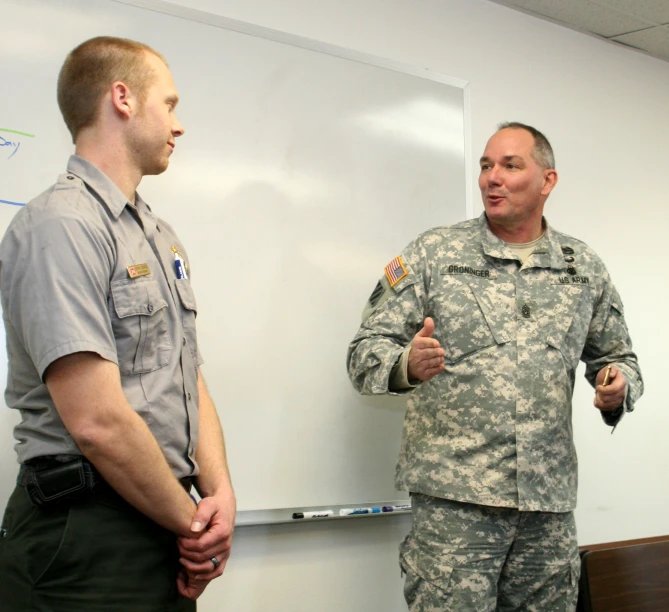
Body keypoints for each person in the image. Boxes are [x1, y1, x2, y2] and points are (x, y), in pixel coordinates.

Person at [347, 122, 643, 611]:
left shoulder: (582, 266)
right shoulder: (434, 254)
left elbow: (618, 357)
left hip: (546, 512)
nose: (492, 178)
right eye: (486, 165)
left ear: (547, 180)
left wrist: (617, 386)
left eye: (510, 165)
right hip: (455, 510)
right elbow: (364, 351)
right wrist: (407, 365)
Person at [0, 37, 236, 611]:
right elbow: (98, 422)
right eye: (170, 104)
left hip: (158, 519)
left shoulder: (157, 234)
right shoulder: (61, 225)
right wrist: (195, 530)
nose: (179, 126)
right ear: (123, 98)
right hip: (87, 534)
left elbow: (187, 376)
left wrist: (219, 495)